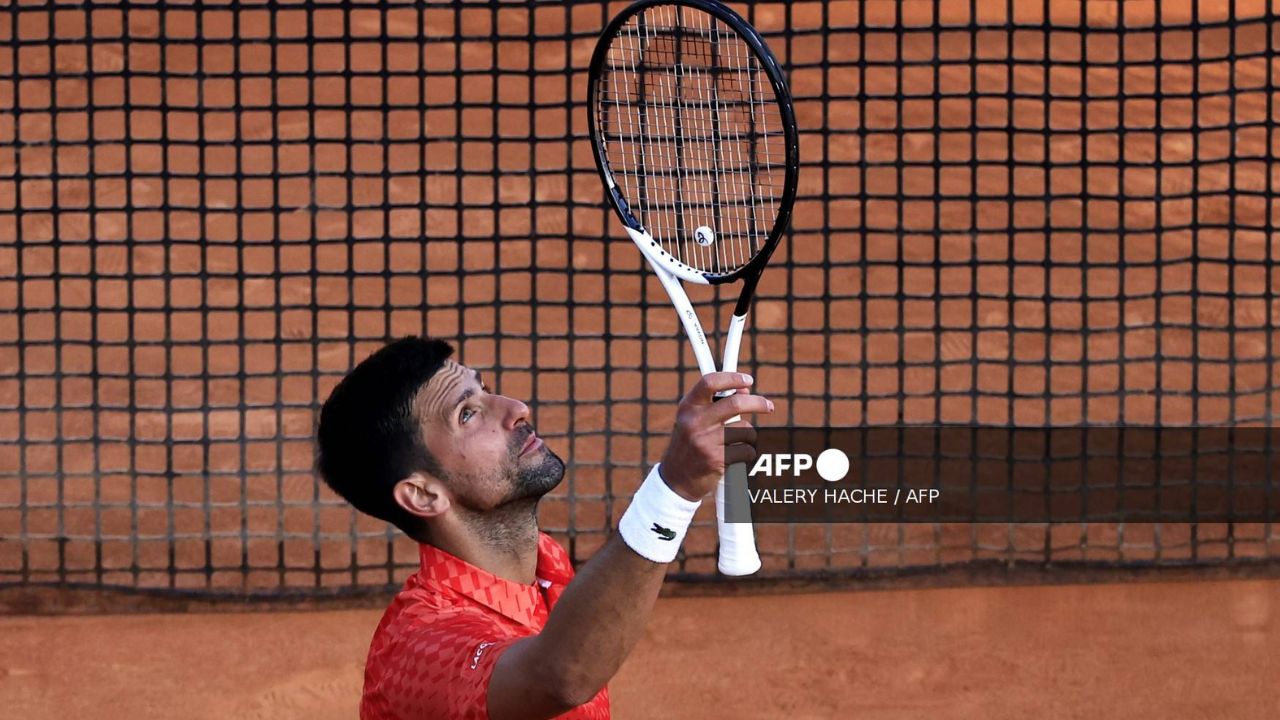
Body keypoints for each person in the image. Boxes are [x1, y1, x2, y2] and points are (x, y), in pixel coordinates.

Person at [316, 336, 772, 719]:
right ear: (422, 494)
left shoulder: (544, 564)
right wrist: (673, 490)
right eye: (468, 414)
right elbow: (561, 676)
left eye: (486, 389)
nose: (516, 407)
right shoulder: (415, 650)